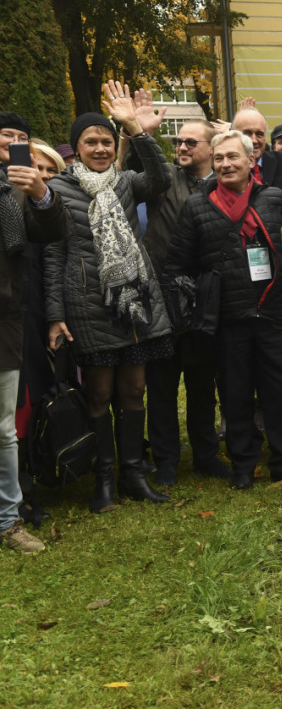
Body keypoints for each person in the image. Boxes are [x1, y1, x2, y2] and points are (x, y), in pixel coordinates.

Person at [38, 82, 174, 512]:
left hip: (133, 301)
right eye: (90, 141)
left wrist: (136, 128)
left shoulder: (126, 182)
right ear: (76, 148)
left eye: (106, 141)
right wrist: (56, 314)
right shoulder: (58, 188)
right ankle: (104, 480)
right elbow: (54, 256)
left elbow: (161, 178)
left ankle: (133, 473)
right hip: (88, 305)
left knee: (134, 389)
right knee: (98, 393)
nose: (99, 148)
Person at [164, 130, 282, 489]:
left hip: (273, 314)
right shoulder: (197, 206)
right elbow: (177, 264)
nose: (226, 164)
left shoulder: (276, 199)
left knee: (280, 390)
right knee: (235, 393)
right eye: (219, 159)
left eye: (233, 157)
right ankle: (243, 464)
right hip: (226, 318)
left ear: (250, 160)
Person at [139, 115, 230, 485]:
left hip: (206, 301)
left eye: (192, 142)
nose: (182, 147)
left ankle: (206, 455)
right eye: (178, 141)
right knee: (161, 386)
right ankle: (166, 461)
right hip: (163, 299)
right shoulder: (164, 181)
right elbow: (140, 167)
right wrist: (140, 131)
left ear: (211, 147)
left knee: (201, 383)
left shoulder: (223, 184)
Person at [2, 113, 67, 552]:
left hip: (6, 321)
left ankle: (8, 520)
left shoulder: (24, 192)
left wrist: (40, 192)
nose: (14, 142)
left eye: (22, 137)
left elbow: (51, 232)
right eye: (6, 134)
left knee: (4, 429)